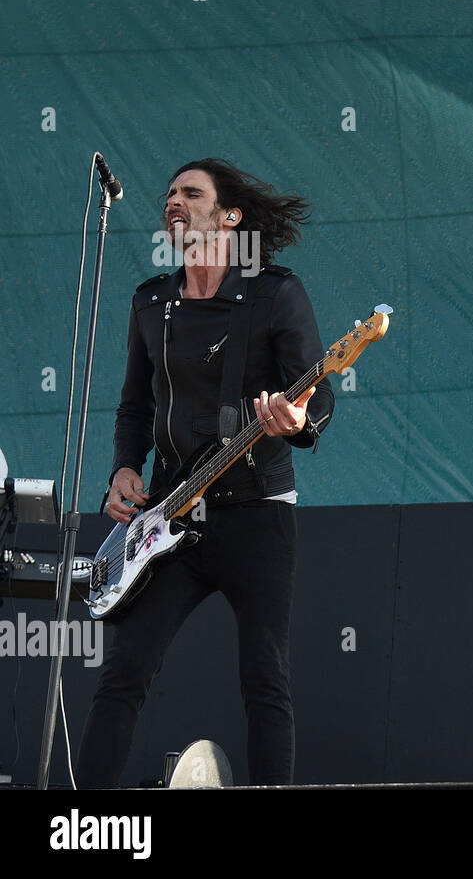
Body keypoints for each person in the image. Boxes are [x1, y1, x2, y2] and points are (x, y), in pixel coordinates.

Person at [77, 159, 334, 787]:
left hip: (257, 512)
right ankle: (81, 823)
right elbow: (135, 407)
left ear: (229, 216)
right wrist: (120, 473)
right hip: (168, 520)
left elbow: (319, 400)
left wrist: (293, 421)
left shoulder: (274, 293)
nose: (175, 200)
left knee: (264, 677)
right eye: (169, 192)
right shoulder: (150, 303)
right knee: (123, 675)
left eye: (192, 193)